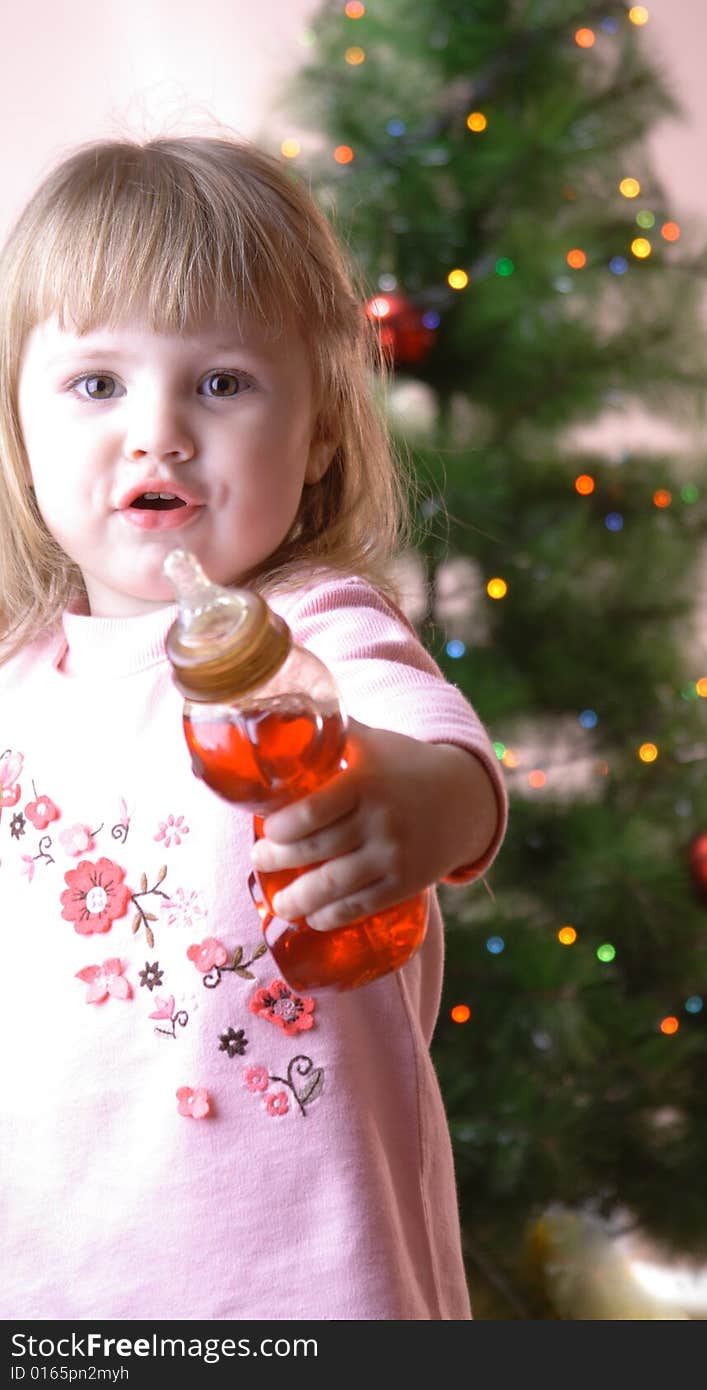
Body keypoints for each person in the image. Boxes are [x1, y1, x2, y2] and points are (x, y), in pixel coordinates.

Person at [0, 133, 507, 1321]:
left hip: (309, 1287)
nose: (158, 432)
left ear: (320, 430)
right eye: (96, 384)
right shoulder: (15, 683)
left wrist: (414, 805)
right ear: (20, 428)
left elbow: (455, 771)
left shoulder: (314, 630)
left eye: (221, 383)